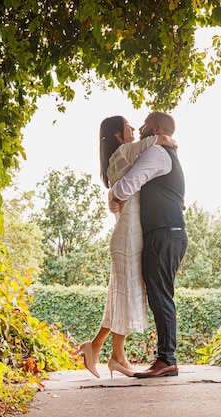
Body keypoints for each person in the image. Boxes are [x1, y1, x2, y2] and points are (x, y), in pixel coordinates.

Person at [76, 115, 176, 378]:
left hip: (128, 232)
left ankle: (99, 348)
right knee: (125, 294)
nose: (134, 129)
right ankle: (113, 355)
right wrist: (165, 138)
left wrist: (112, 195)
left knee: (120, 294)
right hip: (129, 234)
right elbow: (154, 141)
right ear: (119, 135)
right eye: (129, 126)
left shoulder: (116, 157)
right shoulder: (125, 150)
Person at [108, 111, 188, 378]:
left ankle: (166, 359)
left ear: (156, 128)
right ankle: (165, 358)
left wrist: (113, 192)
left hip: (164, 233)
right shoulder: (164, 152)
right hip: (167, 231)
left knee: (161, 296)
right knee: (159, 294)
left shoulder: (156, 154)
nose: (140, 128)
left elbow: (126, 187)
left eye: (143, 125)